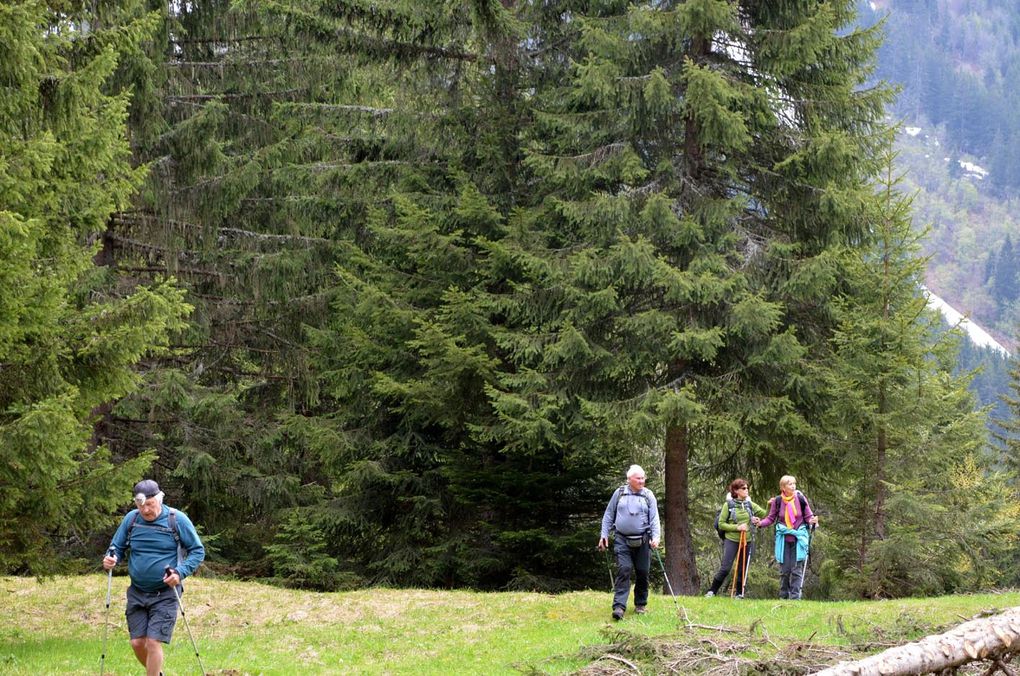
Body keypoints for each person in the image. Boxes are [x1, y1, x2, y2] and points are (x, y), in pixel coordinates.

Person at [103, 480, 205, 676]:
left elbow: (197, 551)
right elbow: (116, 547)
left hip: (166, 592)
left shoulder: (177, 519)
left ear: (159, 499)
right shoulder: (132, 520)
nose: (146, 510)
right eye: (141, 506)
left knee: (152, 642)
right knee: (137, 642)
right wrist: (111, 559)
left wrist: (179, 573)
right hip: (137, 591)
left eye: (150, 504)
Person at [598, 464, 661, 621]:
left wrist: (656, 537)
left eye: (643, 478)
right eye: (638, 478)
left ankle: (640, 604)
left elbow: (654, 518)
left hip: (643, 540)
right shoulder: (619, 493)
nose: (642, 481)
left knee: (642, 572)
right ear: (629, 479)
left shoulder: (648, 495)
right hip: (622, 539)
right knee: (624, 569)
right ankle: (619, 607)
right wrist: (603, 535)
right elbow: (608, 515)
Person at [753, 475, 819, 600]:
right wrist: (760, 523)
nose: (793, 486)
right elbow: (771, 518)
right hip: (783, 539)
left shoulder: (800, 499)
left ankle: (795, 597)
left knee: (796, 570)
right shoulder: (777, 501)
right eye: (790, 484)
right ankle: (783, 596)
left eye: (794, 483)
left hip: (799, 539)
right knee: (785, 570)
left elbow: (809, 516)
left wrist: (813, 520)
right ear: (783, 487)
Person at [705, 478, 767, 599]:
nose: (747, 490)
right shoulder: (728, 505)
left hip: (747, 540)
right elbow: (721, 524)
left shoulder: (750, 504)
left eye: (747, 488)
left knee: (742, 569)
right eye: (744, 488)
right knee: (726, 567)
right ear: (736, 490)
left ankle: (739, 594)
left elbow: (765, 514)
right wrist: (737, 527)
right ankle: (712, 591)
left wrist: (765, 511)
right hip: (732, 540)